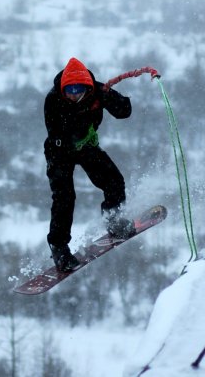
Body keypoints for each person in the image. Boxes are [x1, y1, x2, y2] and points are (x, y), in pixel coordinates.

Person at [43, 57, 135, 271]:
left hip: (85, 145)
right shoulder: (53, 99)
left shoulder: (97, 92)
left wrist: (109, 96)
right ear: (62, 89)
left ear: (87, 86)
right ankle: (59, 249)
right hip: (59, 151)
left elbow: (124, 112)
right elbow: (55, 132)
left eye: (79, 89)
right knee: (64, 197)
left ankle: (114, 219)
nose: (74, 94)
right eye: (69, 89)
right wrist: (74, 137)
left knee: (114, 181)